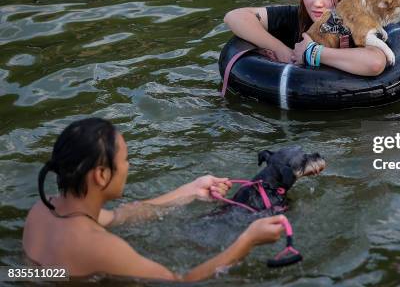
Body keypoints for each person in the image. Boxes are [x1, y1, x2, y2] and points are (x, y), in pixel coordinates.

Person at [22, 118, 286, 281]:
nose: (128, 166)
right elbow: (182, 281)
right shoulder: (101, 247)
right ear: (102, 175)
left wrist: (190, 190)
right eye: (125, 160)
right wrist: (247, 240)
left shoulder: (43, 210)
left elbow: (119, 216)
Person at [224, 0, 387, 76]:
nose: (317, 3)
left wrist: (311, 52)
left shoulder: (359, 24)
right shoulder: (295, 17)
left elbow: (375, 63)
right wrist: (282, 50)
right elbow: (235, 16)